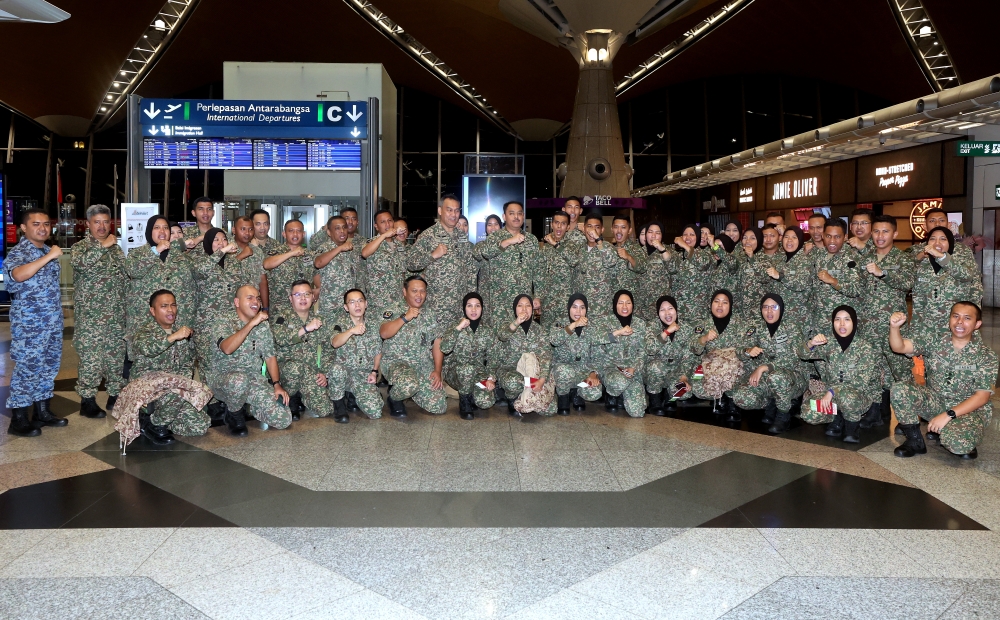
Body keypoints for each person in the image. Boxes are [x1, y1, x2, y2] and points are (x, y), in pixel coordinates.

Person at [889, 302, 997, 459]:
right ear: (949, 320)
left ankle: (958, 432)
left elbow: (982, 396)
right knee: (900, 390)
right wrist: (894, 327)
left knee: (958, 444)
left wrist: (948, 415)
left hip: (968, 410)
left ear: (977, 324)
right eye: (956, 316)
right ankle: (914, 441)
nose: (960, 322)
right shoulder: (935, 341)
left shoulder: (986, 356)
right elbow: (899, 347)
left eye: (967, 318)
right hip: (936, 401)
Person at [4, 209, 67, 436]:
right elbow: (19, 275)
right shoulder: (19, 252)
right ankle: (19, 420)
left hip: (51, 322)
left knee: (48, 367)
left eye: (46, 224)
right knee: (27, 369)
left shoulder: (50, 250)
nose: (42, 228)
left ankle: (42, 412)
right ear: (24, 228)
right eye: (36, 224)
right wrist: (48, 257)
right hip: (29, 324)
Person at [209, 285, 292, 436]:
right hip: (225, 380)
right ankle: (234, 414)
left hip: (253, 380)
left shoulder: (263, 326)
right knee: (239, 381)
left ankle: (252, 405)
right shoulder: (222, 321)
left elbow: (270, 356)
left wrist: (277, 384)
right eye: (250, 298)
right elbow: (227, 348)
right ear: (237, 302)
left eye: (258, 298)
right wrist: (251, 323)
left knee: (284, 419)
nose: (256, 302)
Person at [70, 204, 126, 418]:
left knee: (115, 360)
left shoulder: (116, 249)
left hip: (115, 318)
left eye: (105, 222)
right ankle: (87, 401)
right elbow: (80, 264)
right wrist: (101, 247)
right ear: (88, 224)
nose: (102, 227)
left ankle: (114, 396)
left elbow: (126, 275)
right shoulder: (80, 248)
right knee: (91, 360)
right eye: (97, 222)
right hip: (91, 320)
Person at [859, 214, 915, 428]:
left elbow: (908, 283)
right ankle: (876, 412)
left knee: (900, 371)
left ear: (895, 233)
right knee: (872, 368)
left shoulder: (902, 258)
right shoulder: (865, 257)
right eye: (876, 231)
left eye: (885, 231)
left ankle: (906, 418)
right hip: (868, 325)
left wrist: (882, 274)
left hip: (894, 326)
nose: (880, 236)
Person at [129, 290, 206, 442]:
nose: (170, 310)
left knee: (200, 425)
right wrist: (172, 337)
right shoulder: (144, 331)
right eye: (164, 306)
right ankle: (153, 423)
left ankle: (166, 416)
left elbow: (188, 363)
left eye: (173, 305)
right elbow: (148, 349)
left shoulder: (181, 332)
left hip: (171, 389)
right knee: (178, 392)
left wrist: (181, 381)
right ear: (153, 311)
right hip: (148, 388)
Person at [798, 306, 881, 443]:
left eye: (847, 320)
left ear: (854, 322)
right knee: (808, 411)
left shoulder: (865, 348)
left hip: (857, 396)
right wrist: (811, 343)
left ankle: (851, 428)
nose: (842, 324)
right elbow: (803, 354)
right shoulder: (828, 344)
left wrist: (832, 391)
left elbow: (860, 382)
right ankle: (837, 418)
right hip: (831, 397)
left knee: (848, 398)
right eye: (837, 320)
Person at [731, 295, 810, 433]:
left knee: (776, 377)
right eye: (765, 307)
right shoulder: (756, 327)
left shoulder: (792, 327)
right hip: (766, 378)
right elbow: (739, 351)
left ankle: (783, 416)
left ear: (781, 309)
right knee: (741, 397)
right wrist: (748, 351)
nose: (769, 311)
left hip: (793, 377)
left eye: (774, 307)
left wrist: (764, 367)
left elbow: (794, 357)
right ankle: (771, 404)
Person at [379, 275, 447, 417]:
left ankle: (411, 390)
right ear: (405, 292)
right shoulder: (393, 310)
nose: (419, 295)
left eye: (422, 291)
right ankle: (394, 397)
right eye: (414, 291)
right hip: (397, 363)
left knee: (439, 406)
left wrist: (437, 370)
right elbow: (384, 333)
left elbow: (437, 342)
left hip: (422, 365)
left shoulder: (429, 314)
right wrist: (405, 317)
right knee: (409, 384)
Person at [271, 280, 337, 421]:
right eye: (298, 294)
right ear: (291, 298)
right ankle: (290, 397)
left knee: (325, 410)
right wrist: (305, 329)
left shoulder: (319, 320)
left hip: (309, 371)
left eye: (307, 294)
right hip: (286, 370)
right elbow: (280, 339)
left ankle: (303, 396)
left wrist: (324, 372)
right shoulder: (281, 317)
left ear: (313, 297)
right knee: (294, 368)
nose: (303, 298)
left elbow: (328, 349)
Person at [405, 194, 474, 324]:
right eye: (449, 210)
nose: (454, 214)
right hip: (436, 307)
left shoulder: (462, 237)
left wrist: (470, 300)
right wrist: (432, 255)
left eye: (457, 210)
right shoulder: (428, 236)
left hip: (459, 308)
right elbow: (410, 263)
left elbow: (469, 270)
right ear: (440, 210)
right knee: (436, 343)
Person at [125, 214, 194, 338]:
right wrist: (156, 251)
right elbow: (133, 271)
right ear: (149, 231)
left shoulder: (181, 257)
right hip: (146, 324)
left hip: (176, 323)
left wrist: (188, 322)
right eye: (157, 227)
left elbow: (189, 291)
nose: (162, 231)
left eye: (166, 228)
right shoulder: (136, 254)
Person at [477, 201, 541, 325]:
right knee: (499, 338)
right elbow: (485, 252)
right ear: (504, 217)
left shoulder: (531, 240)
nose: (516, 217)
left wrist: (538, 295)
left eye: (519, 213)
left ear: (523, 216)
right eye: (512, 213)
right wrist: (508, 241)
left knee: (522, 338)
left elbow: (538, 270)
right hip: (499, 303)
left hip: (523, 302)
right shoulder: (495, 237)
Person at [491, 294, 555, 416]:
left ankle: (528, 397)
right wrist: (516, 322)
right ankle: (512, 399)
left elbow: (546, 356)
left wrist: (542, 380)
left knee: (550, 410)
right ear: (515, 309)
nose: (524, 309)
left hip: (533, 373)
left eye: (528, 305)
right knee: (513, 382)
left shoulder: (539, 330)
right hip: (511, 370)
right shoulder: (508, 325)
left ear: (532, 309)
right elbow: (502, 335)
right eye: (520, 306)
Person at [911, 226, 981, 338]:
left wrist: (941, 256)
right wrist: (915, 333)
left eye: (943, 239)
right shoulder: (923, 265)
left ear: (950, 243)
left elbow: (967, 276)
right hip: (927, 330)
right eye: (932, 239)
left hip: (956, 328)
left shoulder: (960, 261)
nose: (937, 243)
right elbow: (918, 304)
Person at [690, 289, 748, 421]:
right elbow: (694, 348)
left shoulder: (740, 324)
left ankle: (732, 402)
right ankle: (719, 398)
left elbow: (745, 350)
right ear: (711, 304)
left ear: (731, 306)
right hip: (710, 366)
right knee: (697, 386)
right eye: (716, 301)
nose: (720, 306)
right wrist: (703, 339)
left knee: (734, 366)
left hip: (733, 368)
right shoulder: (702, 324)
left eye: (725, 302)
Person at [328, 288, 385, 420]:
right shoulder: (339, 323)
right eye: (352, 302)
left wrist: (374, 371)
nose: (357, 305)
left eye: (360, 301)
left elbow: (378, 351)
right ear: (346, 307)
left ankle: (355, 395)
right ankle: (339, 406)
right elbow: (335, 342)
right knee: (336, 370)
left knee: (375, 412)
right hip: (344, 373)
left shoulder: (374, 325)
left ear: (366, 304)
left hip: (363, 374)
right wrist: (351, 331)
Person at [191, 228, 242, 373]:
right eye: (216, 240)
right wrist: (222, 251)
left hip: (229, 323)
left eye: (224, 239)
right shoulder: (199, 261)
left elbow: (241, 289)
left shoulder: (234, 264)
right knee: (209, 367)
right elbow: (200, 272)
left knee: (229, 365)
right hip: (207, 325)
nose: (221, 243)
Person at [589, 290, 647, 416]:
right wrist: (617, 332)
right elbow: (593, 339)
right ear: (615, 305)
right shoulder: (605, 321)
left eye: (628, 303)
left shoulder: (640, 324)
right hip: (610, 368)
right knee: (619, 381)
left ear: (633, 305)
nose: (625, 307)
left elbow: (643, 351)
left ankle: (624, 393)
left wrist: (634, 368)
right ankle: (611, 394)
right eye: (621, 303)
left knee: (637, 412)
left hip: (632, 370)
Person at [440, 292, 497, 419]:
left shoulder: (487, 330)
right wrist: (458, 328)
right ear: (464, 308)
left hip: (477, 374)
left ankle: (473, 394)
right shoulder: (455, 326)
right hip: (456, 373)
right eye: (469, 306)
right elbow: (444, 348)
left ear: (482, 308)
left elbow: (494, 357)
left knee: (485, 402)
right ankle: (465, 402)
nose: (473, 310)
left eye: (477, 306)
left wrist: (491, 378)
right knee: (467, 369)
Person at [550, 294, 604, 415]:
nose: (578, 311)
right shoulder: (559, 324)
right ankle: (563, 397)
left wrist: (593, 374)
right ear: (569, 308)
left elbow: (598, 356)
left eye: (582, 308)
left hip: (583, 374)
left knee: (594, 391)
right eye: (574, 307)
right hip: (563, 373)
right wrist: (574, 325)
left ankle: (577, 393)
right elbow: (554, 340)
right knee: (565, 372)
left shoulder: (592, 328)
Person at [644, 296, 695, 416]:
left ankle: (669, 398)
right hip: (654, 373)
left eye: (670, 308)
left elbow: (688, 357)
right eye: (662, 310)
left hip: (676, 372)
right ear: (658, 313)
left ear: (676, 310)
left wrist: (683, 377)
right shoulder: (651, 326)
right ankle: (654, 400)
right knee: (656, 367)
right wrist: (666, 332)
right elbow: (650, 349)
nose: (667, 313)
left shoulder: (686, 329)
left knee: (685, 392)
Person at [810, 218, 861, 337]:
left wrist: (833, 281)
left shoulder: (852, 257)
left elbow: (856, 290)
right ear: (822, 235)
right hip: (820, 321)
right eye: (828, 236)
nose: (832, 241)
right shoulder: (819, 254)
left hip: (842, 324)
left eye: (837, 237)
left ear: (845, 237)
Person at [566, 213, 619, 315]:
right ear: (584, 228)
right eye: (589, 226)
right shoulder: (580, 249)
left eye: (597, 227)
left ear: (602, 230)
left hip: (601, 309)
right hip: (581, 308)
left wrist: (598, 240)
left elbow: (611, 261)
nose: (592, 231)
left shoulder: (608, 247)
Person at [362, 210, 408, 316]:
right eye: (382, 222)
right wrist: (383, 236)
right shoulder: (372, 243)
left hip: (398, 301)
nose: (387, 224)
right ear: (376, 226)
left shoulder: (399, 246)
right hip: (379, 303)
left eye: (389, 221)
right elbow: (364, 253)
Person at [263, 219, 313, 315]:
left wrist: (316, 290)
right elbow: (266, 264)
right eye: (291, 231)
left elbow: (316, 275)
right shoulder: (275, 252)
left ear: (304, 234)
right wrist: (291, 253)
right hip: (279, 309)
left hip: (303, 308)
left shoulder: (310, 255)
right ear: (284, 234)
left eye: (298, 231)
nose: (295, 234)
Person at [764, 227, 811, 328]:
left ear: (800, 240)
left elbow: (801, 284)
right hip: (779, 315)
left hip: (797, 318)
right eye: (786, 237)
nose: (789, 240)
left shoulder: (804, 261)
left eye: (794, 237)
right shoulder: (781, 260)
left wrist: (780, 276)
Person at [313, 215, 358, 319]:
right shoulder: (324, 248)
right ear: (329, 232)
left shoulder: (351, 249)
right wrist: (340, 248)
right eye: (337, 228)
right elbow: (318, 263)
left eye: (344, 227)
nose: (342, 231)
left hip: (349, 305)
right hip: (331, 305)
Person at [667, 224, 713, 319]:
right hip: (678, 312)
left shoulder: (706, 254)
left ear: (698, 237)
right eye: (685, 234)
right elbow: (670, 271)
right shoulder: (677, 256)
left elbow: (702, 263)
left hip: (698, 313)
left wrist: (684, 244)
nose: (688, 237)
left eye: (692, 234)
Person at [538, 212, 575, 327]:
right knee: (545, 337)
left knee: (566, 337)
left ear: (568, 227)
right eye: (556, 223)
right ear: (552, 224)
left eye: (563, 224)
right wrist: (539, 298)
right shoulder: (544, 248)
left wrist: (555, 244)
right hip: (548, 303)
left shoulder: (573, 246)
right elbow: (540, 275)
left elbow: (574, 261)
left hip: (566, 303)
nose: (559, 227)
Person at [636, 221, 672, 322]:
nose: (653, 235)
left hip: (660, 306)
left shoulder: (669, 251)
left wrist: (662, 250)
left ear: (662, 235)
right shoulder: (637, 251)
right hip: (639, 306)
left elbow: (673, 268)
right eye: (650, 232)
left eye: (657, 233)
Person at [610, 215, 647, 297]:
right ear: (612, 229)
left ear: (629, 230)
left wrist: (629, 257)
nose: (619, 231)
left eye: (623, 227)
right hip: (613, 297)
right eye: (616, 227)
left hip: (631, 298)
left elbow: (643, 267)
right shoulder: (609, 249)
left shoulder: (636, 248)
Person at [230, 214, 267, 289]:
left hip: (254, 298)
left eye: (251, 229)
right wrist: (241, 255)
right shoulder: (225, 248)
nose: (247, 233)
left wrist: (264, 301)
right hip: (231, 298)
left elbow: (262, 281)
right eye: (243, 229)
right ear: (234, 230)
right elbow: (221, 273)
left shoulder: (257, 251)